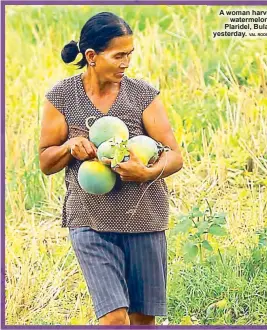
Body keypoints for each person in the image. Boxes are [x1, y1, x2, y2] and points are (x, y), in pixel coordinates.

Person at [39, 12, 183, 326]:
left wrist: (147, 173)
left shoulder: (143, 95)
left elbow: (174, 155)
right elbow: (46, 161)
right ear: (91, 56)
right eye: (118, 55)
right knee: (115, 320)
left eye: (129, 55)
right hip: (90, 223)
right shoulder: (61, 97)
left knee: (142, 321)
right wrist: (69, 146)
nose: (126, 63)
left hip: (144, 221)